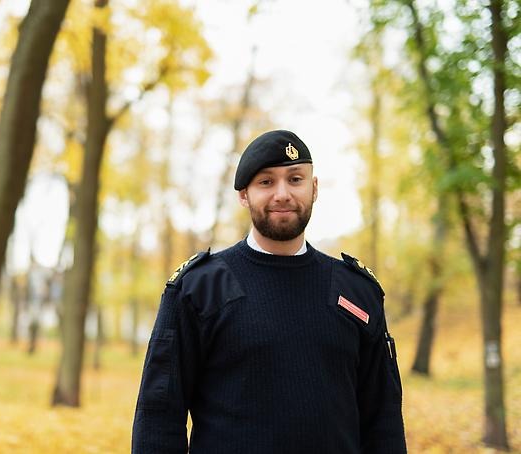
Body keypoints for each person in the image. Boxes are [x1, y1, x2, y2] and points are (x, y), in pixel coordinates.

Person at [132, 130, 407, 453]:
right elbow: (159, 417)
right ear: (244, 195)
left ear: (314, 188)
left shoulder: (356, 292)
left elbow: (384, 423)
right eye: (266, 182)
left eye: (295, 179)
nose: (282, 194)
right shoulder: (199, 289)